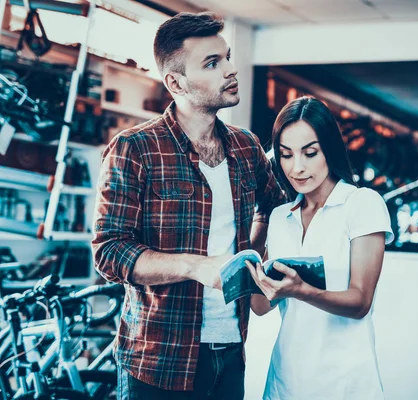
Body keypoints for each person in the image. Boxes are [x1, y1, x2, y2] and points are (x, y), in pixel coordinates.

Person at [91, 12, 285, 400]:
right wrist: (195, 267)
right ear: (175, 82)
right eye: (213, 63)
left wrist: (253, 257)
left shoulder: (247, 148)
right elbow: (109, 252)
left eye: (227, 57)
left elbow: (277, 210)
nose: (231, 70)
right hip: (158, 361)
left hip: (231, 352)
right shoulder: (135, 149)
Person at [246, 96, 394, 399]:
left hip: (344, 384)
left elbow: (360, 301)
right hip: (285, 382)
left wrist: (301, 290)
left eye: (309, 153)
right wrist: (252, 258)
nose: (297, 168)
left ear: (329, 149)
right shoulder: (280, 217)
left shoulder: (361, 204)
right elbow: (260, 307)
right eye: (286, 155)